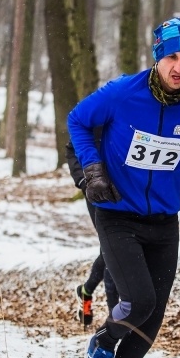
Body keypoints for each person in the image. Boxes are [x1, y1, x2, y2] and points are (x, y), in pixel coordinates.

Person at [67, 17, 180, 358]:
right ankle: (101, 345)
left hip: (163, 221)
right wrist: (93, 170)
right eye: (172, 56)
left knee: (151, 317)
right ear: (157, 57)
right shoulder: (122, 93)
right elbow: (79, 122)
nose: (179, 66)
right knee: (139, 301)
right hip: (116, 211)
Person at [66, 139, 119, 326]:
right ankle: (116, 318)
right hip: (97, 192)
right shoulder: (93, 111)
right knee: (113, 247)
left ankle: (86, 291)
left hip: (126, 191)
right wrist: (83, 180)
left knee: (114, 248)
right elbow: (72, 148)